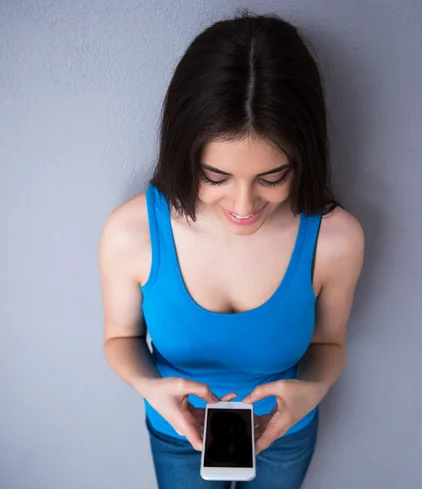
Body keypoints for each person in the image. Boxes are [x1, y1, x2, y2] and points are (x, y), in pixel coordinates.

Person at [98, 10, 364, 489]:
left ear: (304, 157)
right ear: (184, 154)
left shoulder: (335, 238)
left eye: (272, 178)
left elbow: (329, 344)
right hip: (177, 434)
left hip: (287, 433)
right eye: (215, 178)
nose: (244, 206)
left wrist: (312, 390)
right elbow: (120, 341)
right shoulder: (131, 232)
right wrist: (151, 388)